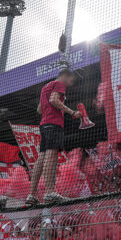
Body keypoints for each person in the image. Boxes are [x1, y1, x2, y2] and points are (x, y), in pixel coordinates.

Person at [27, 66, 81, 205]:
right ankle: (50, 192)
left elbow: (40, 109)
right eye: (71, 79)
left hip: (44, 125)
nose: (71, 83)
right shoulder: (59, 84)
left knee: (42, 158)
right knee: (51, 157)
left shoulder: (46, 86)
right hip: (54, 125)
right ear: (64, 75)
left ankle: (32, 195)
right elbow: (54, 100)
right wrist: (72, 112)